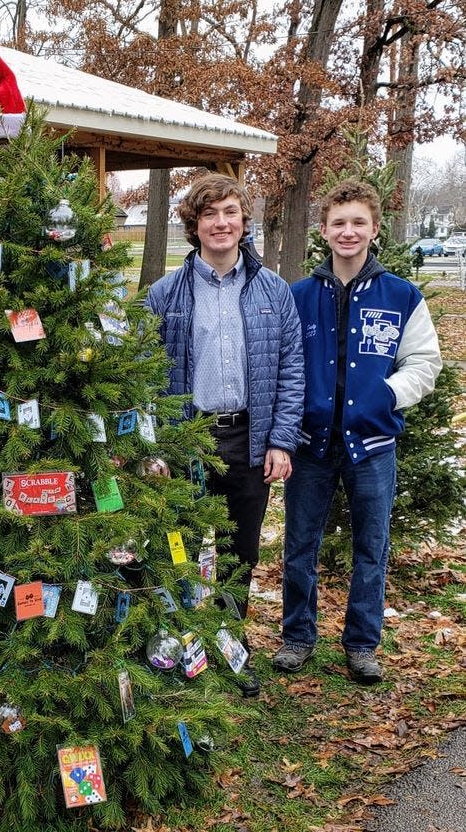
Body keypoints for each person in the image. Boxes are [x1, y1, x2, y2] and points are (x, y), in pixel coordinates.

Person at [274, 180, 442, 684]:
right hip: (311, 444)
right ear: (324, 230)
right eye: (339, 223)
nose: (348, 232)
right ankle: (298, 636)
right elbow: (283, 364)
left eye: (359, 222)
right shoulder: (298, 296)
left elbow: (424, 362)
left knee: (373, 546)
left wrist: (385, 395)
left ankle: (362, 643)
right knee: (300, 544)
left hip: (372, 445)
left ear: (374, 229)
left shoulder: (400, 296)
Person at [145, 174, 304, 698]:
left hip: (248, 439)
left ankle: (232, 646)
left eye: (230, 212)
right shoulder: (166, 293)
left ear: (243, 221)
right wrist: (158, 447)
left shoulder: (272, 291)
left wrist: (281, 441)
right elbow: (145, 373)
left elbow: (290, 370)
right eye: (209, 215)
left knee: (240, 551)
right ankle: (189, 654)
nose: (221, 223)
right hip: (187, 442)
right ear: (194, 225)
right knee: (183, 551)